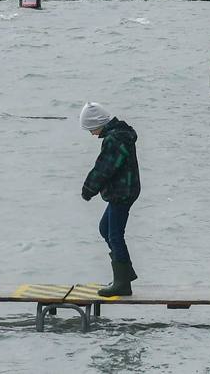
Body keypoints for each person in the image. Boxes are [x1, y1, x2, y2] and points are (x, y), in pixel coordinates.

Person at [79, 102, 140, 297]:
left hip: (122, 192)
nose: (91, 134)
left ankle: (122, 284)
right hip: (125, 190)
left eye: (91, 129)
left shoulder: (115, 140)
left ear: (100, 123)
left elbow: (104, 168)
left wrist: (88, 189)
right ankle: (125, 273)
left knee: (115, 235)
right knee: (105, 229)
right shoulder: (120, 134)